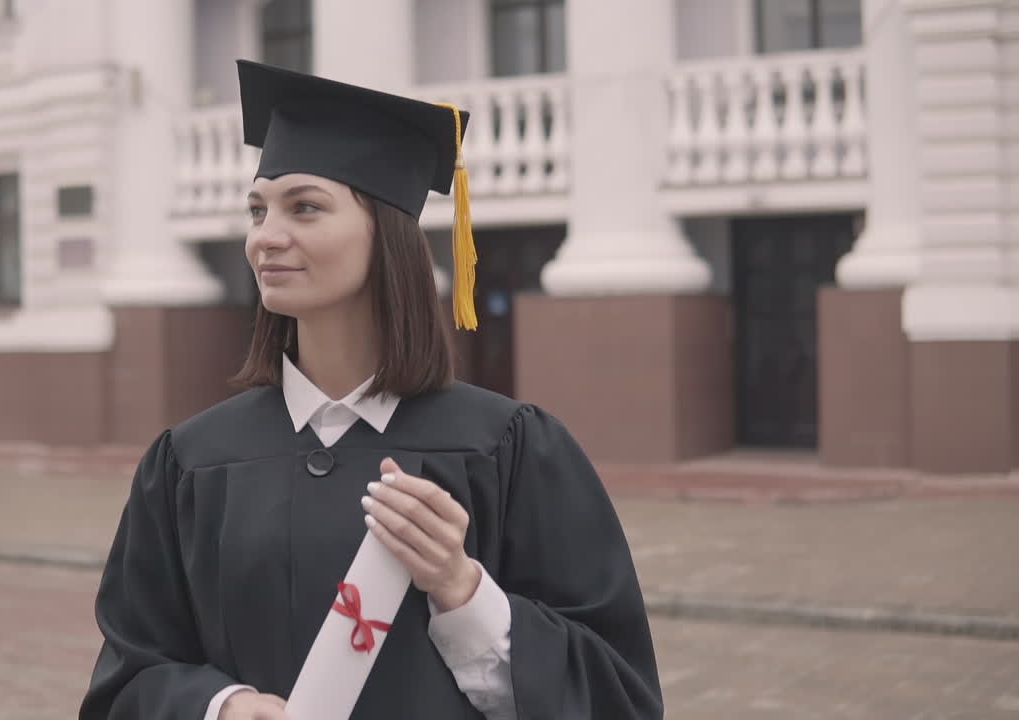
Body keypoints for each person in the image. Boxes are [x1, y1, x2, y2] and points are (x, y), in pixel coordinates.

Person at [78, 60, 662, 720]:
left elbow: (618, 695)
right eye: (256, 209)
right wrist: (221, 708)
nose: (265, 237)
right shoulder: (190, 461)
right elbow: (126, 679)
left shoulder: (508, 448)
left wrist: (462, 590)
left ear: (385, 232)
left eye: (305, 207)